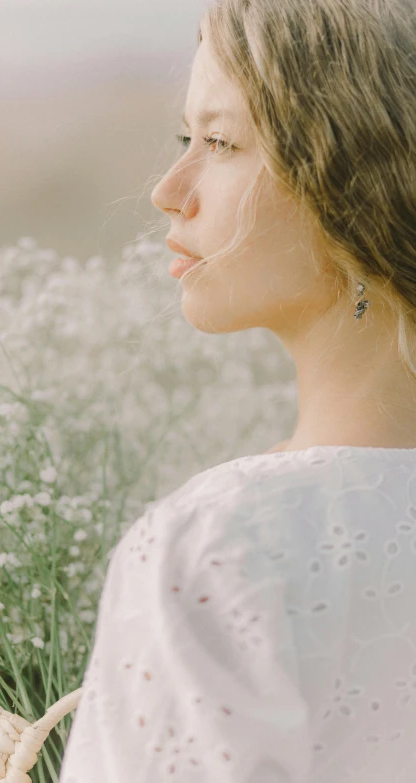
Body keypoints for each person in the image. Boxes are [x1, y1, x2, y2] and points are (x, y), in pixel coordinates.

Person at [59, 0, 416, 780]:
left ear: (357, 187)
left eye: (219, 141)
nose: (169, 188)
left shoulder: (219, 546)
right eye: (185, 139)